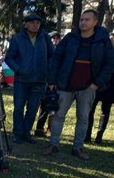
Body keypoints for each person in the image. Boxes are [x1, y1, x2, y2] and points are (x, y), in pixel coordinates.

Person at [44, 9, 114, 160]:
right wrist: (52, 81)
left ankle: (78, 147)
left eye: (87, 20)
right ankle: (53, 144)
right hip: (65, 85)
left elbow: (109, 64)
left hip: (88, 87)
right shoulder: (70, 38)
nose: (83, 22)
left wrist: (96, 83)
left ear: (95, 22)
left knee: (83, 118)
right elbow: (56, 59)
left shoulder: (103, 41)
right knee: (58, 116)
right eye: (81, 19)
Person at [5, 14, 54, 144]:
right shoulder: (17, 39)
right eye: (32, 22)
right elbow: (9, 58)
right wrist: (19, 70)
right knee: (19, 107)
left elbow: (52, 56)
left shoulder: (45, 38)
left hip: (39, 80)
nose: (35, 25)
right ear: (25, 24)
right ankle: (17, 133)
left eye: (37, 23)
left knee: (32, 108)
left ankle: (26, 133)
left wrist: (47, 71)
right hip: (22, 80)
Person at [34, 32, 62, 137]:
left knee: (54, 107)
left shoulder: (61, 51)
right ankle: (39, 128)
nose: (55, 40)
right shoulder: (46, 50)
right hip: (45, 81)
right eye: (53, 38)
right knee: (45, 106)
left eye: (57, 38)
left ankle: (50, 128)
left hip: (56, 82)